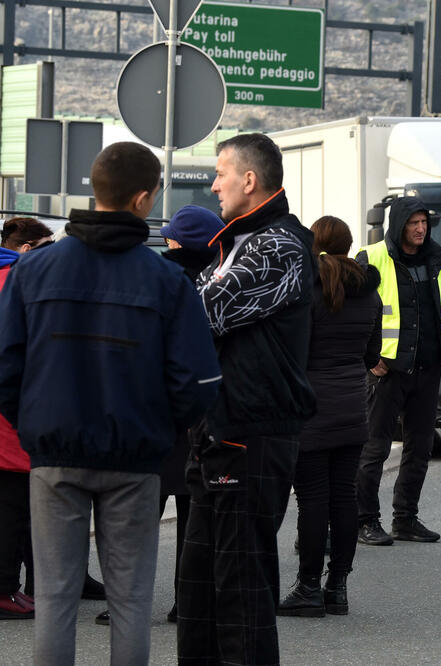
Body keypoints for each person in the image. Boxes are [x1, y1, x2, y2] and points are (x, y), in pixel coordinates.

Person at [0, 142, 221, 663]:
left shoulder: (33, 271)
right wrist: (161, 430)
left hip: (54, 454)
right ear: (144, 198)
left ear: (94, 189)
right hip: (135, 458)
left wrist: (33, 426)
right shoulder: (167, 279)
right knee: (130, 602)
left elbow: (6, 367)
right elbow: (197, 380)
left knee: (55, 600)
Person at [177, 133, 316, 666]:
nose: (214, 185)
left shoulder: (279, 246)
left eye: (221, 174)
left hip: (252, 432)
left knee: (240, 590)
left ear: (250, 180)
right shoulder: (238, 242)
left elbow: (199, 315)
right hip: (217, 431)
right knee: (198, 590)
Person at [278, 216, 382, 618]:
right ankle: (337, 588)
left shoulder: (309, 290)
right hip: (353, 407)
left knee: (312, 500)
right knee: (344, 498)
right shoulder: (369, 294)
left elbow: (295, 352)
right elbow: (371, 356)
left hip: (312, 408)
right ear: (349, 244)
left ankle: (307, 587)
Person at [355, 196, 441, 546]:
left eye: (424, 222)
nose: (420, 229)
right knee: (375, 449)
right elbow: (355, 311)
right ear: (399, 224)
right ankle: (365, 520)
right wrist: (369, 358)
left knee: (420, 447)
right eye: (414, 223)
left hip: (427, 368)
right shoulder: (371, 257)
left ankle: (405, 518)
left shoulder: (435, 259)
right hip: (387, 370)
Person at [157, 205, 225, 624]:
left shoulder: (159, 280)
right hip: (200, 414)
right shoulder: (223, 280)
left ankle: (125, 602)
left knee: (138, 518)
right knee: (194, 519)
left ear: (178, 242)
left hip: (156, 415)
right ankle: (187, 601)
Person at [0, 217, 53, 621]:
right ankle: (4, 589)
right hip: (12, 411)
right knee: (13, 507)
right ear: (28, 248)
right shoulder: (16, 280)